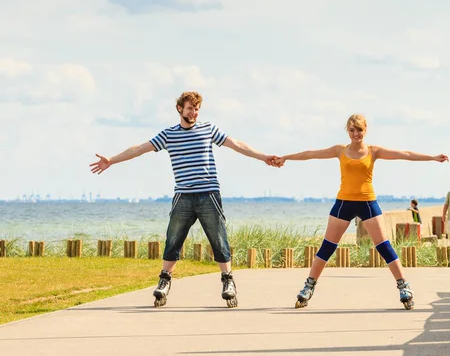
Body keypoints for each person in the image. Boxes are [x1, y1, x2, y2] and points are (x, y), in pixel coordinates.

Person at [90, 91, 276, 308]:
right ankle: (165, 281)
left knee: (218, 237)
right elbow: (140, 149)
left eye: (196, 109)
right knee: (173, 238)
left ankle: (228, 282)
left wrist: (263, 157)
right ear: (180, 109)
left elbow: (236, 144)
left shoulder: (208, 129)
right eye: (190, 109)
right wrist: (111, 160)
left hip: (208, 193)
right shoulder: (169, 135)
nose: (194, 113)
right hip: (183, 195)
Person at [273, 114, 448, 310]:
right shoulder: (340, 150)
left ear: (365, 130)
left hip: (367, 203)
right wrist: (286, 157)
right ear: (347, 131)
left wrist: (432, 157)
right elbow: (310, 153)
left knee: (384, 246)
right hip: (343, 203)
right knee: (327, 247)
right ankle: (308, 286)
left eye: (359, 130)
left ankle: (403, 287)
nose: (356, 134)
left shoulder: (374, 151)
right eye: (352, 130)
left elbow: (404, 154)